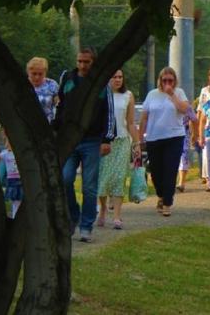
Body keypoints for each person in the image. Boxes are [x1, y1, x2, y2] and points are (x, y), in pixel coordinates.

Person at [56, 47, 114, 242]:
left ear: (93, 63)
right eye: (79, 61)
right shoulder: (68, 79)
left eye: (86, 62)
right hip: (70, 139)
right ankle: (73, 215)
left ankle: (86, 225)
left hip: (92, 140)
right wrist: (57, 130)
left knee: (89, 186)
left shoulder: (101, 84)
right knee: (65, 179)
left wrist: (107, 139)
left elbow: (108, 112)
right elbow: (61, 105)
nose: (82, 65)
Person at [140, 67, 190, 217]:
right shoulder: (152, 94)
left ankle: (167, 202)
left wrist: (172, 95)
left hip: (174, 137)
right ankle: (161, 196)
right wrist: (139, 138)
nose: (167, 83)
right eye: (165, 80)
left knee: (170, 170)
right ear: (160, 80)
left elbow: (184, 109)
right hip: (154, 137)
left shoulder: (179, 92)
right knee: (155, 172)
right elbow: (144, 117)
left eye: (170, 80)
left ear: (175, 81)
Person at [97, 69, 137, 230]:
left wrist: (137, 143)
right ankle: (102, 211)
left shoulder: (128, 95)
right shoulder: (100, 96)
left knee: (119, 178)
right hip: (103, 142)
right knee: (102, 178)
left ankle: (117, 216)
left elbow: (130, 122)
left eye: (120, 77)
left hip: (121, 141)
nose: (118, 80)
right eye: (114, 77)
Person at [0, 139, 22, 219]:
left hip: (21, 180)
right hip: (13, 181)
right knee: (15, 202)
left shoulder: (20, 153)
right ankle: (15, 217)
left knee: (19, 201)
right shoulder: (5, 153)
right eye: (7, 141)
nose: (7, 143)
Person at [27, 56, 58, 123]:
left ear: (45, 73)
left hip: (48, 124)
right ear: (28, 72)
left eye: (40, 74)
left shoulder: (52, 84)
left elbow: (58, 105)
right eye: (34, 73)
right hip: (27, 125)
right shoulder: (22, 85)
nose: (37, 77)